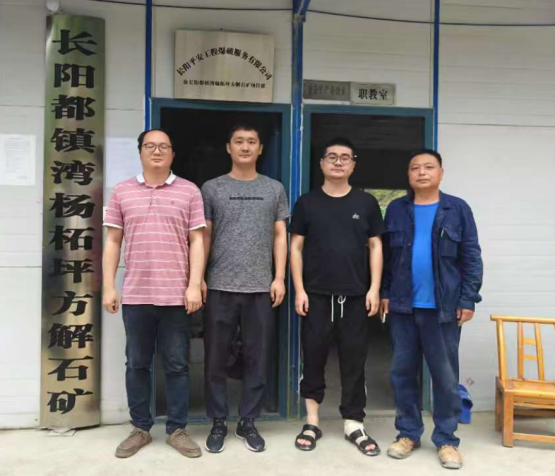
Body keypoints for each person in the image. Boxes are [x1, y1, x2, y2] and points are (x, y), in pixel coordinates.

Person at [103, 129, 206, 459]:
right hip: (136, 295)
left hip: (176, 296)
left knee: (177, 365)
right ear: (140, 152)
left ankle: (177, 429)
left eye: (164, 147)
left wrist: (194, 283)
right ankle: (140, 428)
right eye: (150, 146)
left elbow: (197, 241)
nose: (157, 151)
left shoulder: (189, 191)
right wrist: (109, 285)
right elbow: (113, 241)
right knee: (137, 364)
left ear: (173, 154)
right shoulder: (122, 191)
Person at [380, 149, 483, 470]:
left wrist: (468, 299)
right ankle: (408, 433)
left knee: (445, 376)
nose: (422, 172)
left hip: (444, 309)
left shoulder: (457, 209)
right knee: (402, 373)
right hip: (403, 308)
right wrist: (385, 293)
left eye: (428, 167)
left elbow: (471, 256)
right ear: (408, 174)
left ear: (441, 173)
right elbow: (386, 258)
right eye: (415, 168)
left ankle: (447, 440)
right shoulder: (397, 209)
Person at [290, 138, 384, 456]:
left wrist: (374, 288)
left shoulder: (366, 203)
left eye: (345, 157)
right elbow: (295, 247)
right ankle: (312, 421)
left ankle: (353, 423)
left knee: (354, 361)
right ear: (322, 163)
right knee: (313, 358)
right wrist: (300, 289)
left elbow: (376, 246)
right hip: (316, 296)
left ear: (353, 165)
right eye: (332, 157)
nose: (338, 162)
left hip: (355, 296)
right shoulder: (307, 203)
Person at [201, 123, 289, 453]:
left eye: (252, 141)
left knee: (257, 357)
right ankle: (218, 421)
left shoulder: (274, 188)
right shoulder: (212, 188)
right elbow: (204, 235)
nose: (245, 147)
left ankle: (248, 421)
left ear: (261, 148)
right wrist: (199, 278)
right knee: (215, 358)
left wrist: (278, 277)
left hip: (260, 288)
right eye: (239, 141)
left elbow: (280, 235)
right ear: (229, 147)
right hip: (219, 285)